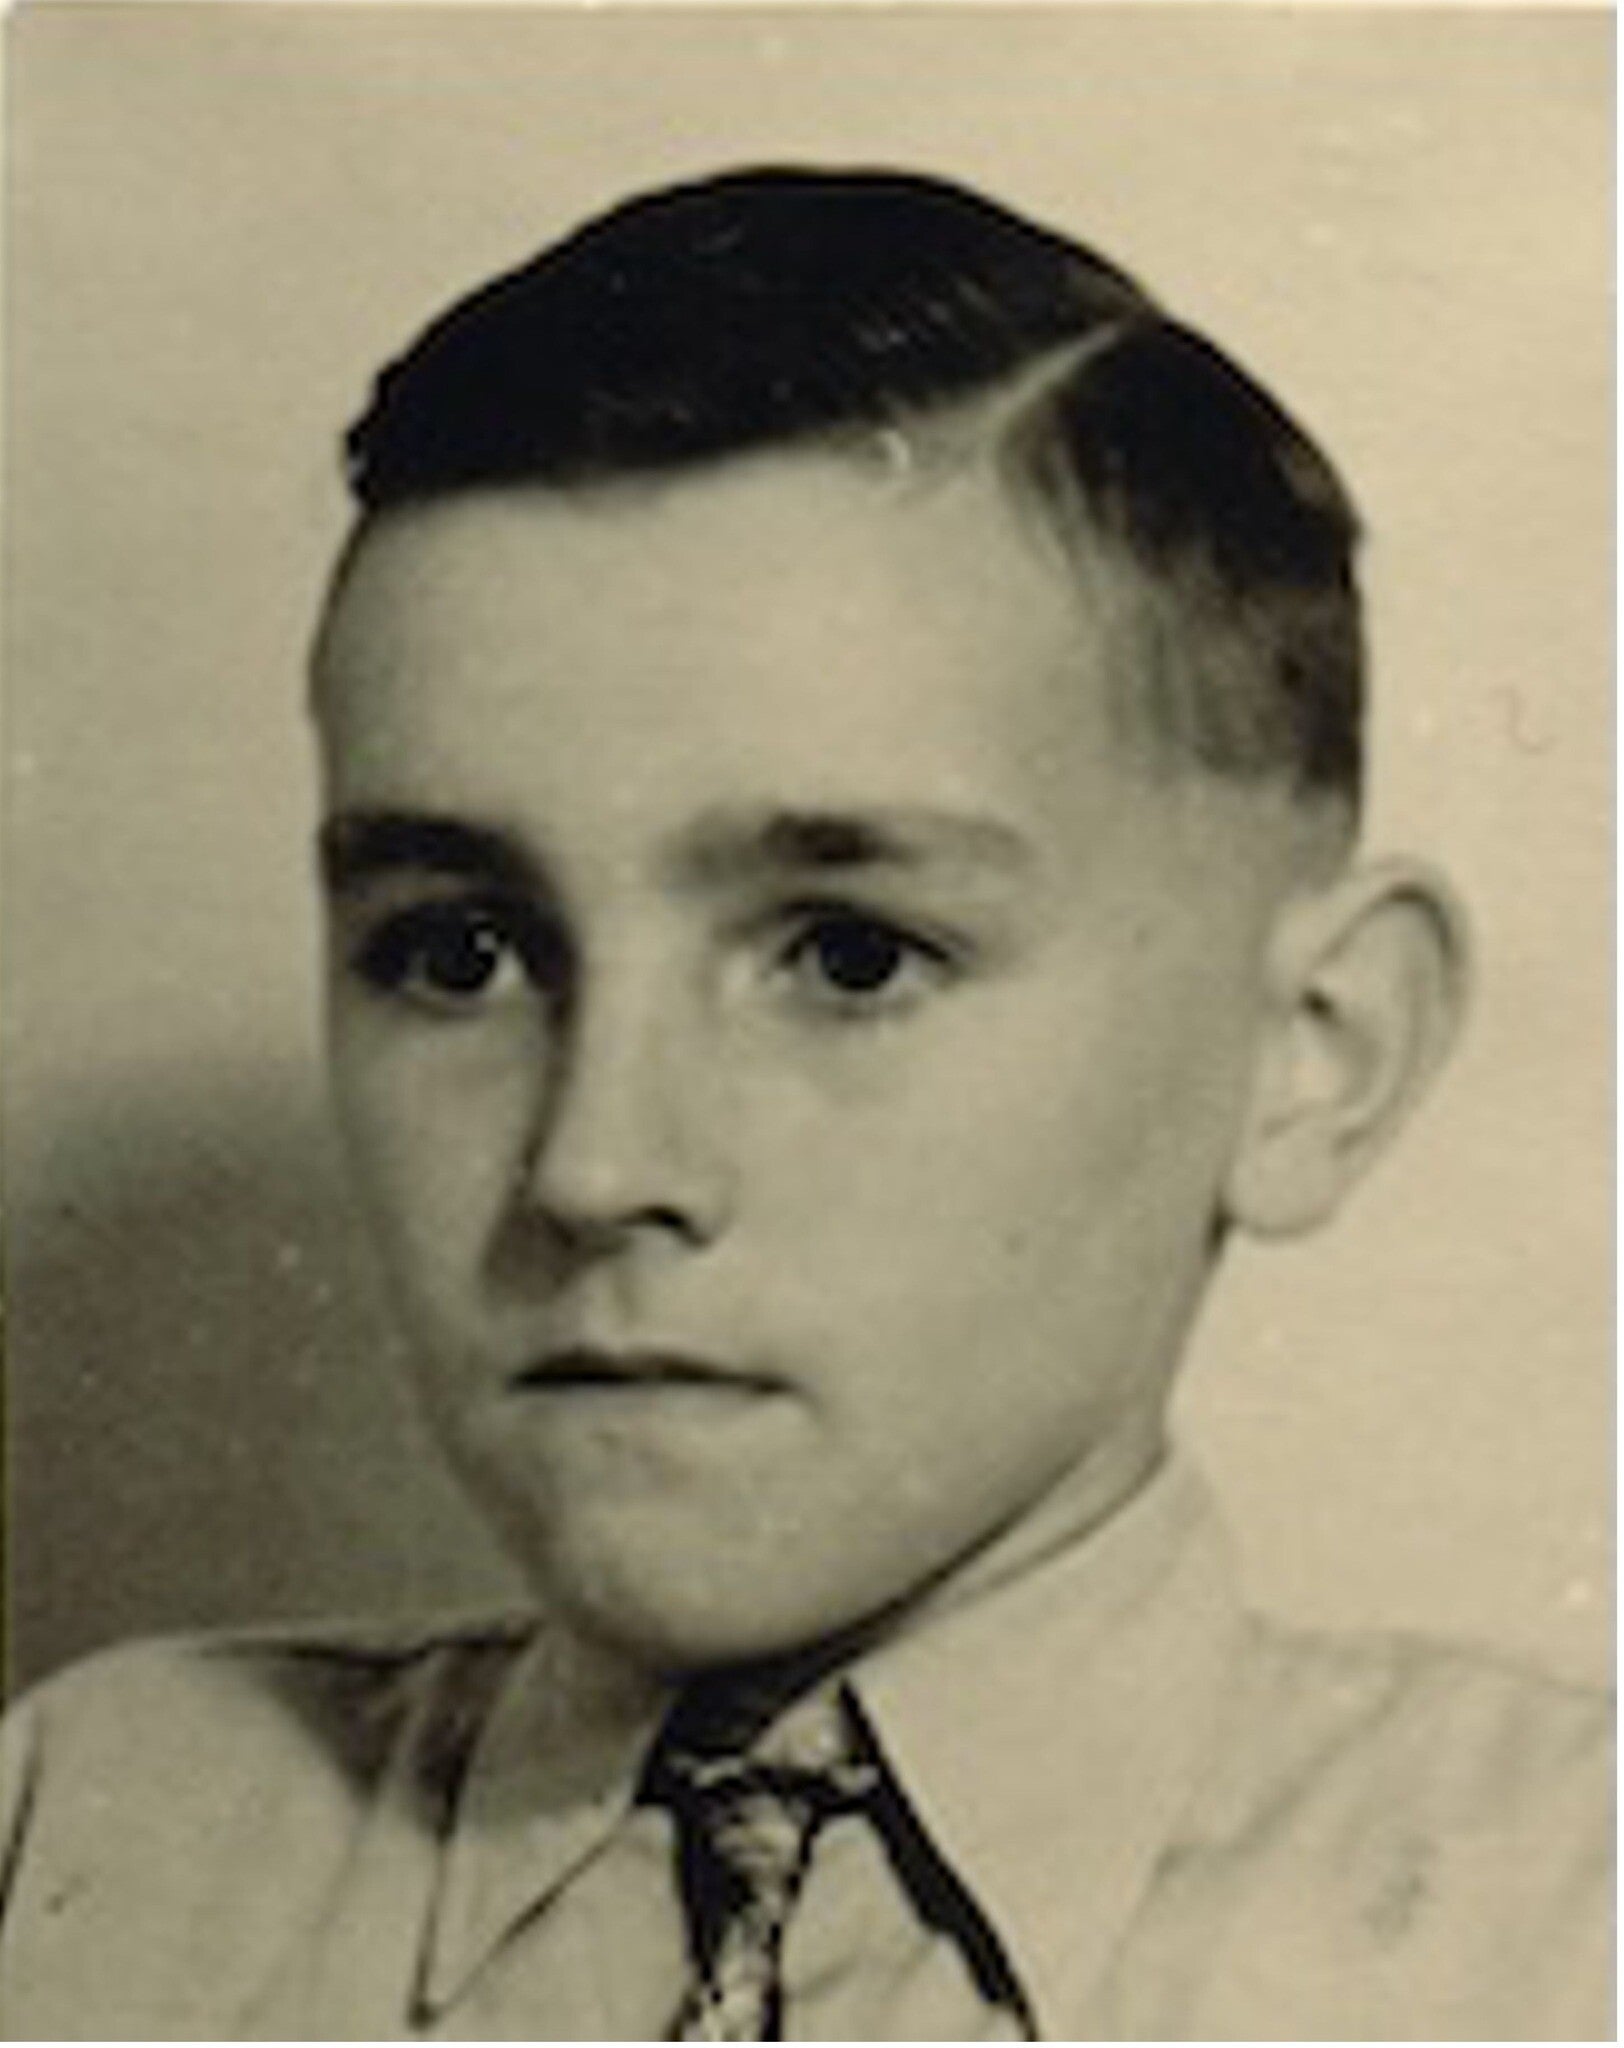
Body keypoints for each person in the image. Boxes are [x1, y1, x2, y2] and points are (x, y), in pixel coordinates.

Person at [0, 166, 1609, 2042]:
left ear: (1317, 1052)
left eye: (850, 957)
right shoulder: (83, 1846)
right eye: (459, 952)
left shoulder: (1561, 1934)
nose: (593, 1164)